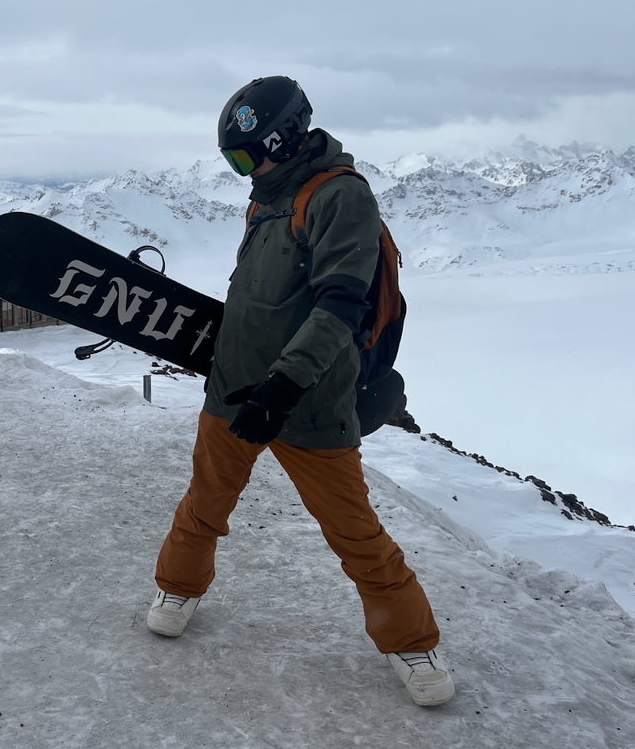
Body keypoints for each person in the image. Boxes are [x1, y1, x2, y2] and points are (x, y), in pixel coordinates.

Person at [146, 76, 455, 708]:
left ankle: (411, 642)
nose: (241, 172)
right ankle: (177, 587)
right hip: (233, 392)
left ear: (281, 138)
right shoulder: (268, 199)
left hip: (308, 402)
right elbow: (261, 298)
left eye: (243, 156)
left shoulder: (338, 197)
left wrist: (282, 388)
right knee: (205, 502)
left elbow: (338, 306)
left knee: (353, 530)